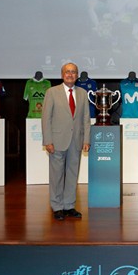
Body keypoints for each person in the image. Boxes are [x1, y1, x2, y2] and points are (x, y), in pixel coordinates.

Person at [42, 62, 91, 221]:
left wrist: (86, 139)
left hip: (76, 141)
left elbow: (85, 118)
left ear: (77, 75)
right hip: (56, 141)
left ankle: (69, 205)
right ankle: (57, 207)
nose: (70, 74)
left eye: (73, 72)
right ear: (62, 75)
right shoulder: (52, 92)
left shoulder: (83, 93)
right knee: (56, 175)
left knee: (72, 174)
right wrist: (48, 140)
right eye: (67, 72)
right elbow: (46, 118)